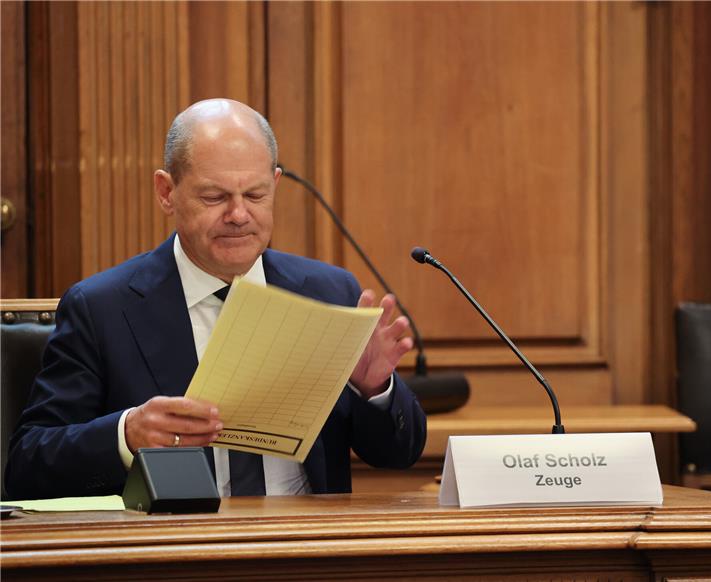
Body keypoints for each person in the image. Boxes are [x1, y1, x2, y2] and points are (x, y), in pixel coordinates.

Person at [4, 99, 426, 500]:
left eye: (256, 195)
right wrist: (126, 433)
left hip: (306, 547)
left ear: (275, 183)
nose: (239, 215)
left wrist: (375, 391)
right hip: (176, 553)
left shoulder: (329, 293)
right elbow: (27, 464)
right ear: (166, 192)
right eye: (215, 197)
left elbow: (398, 453)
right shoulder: (102, 308)